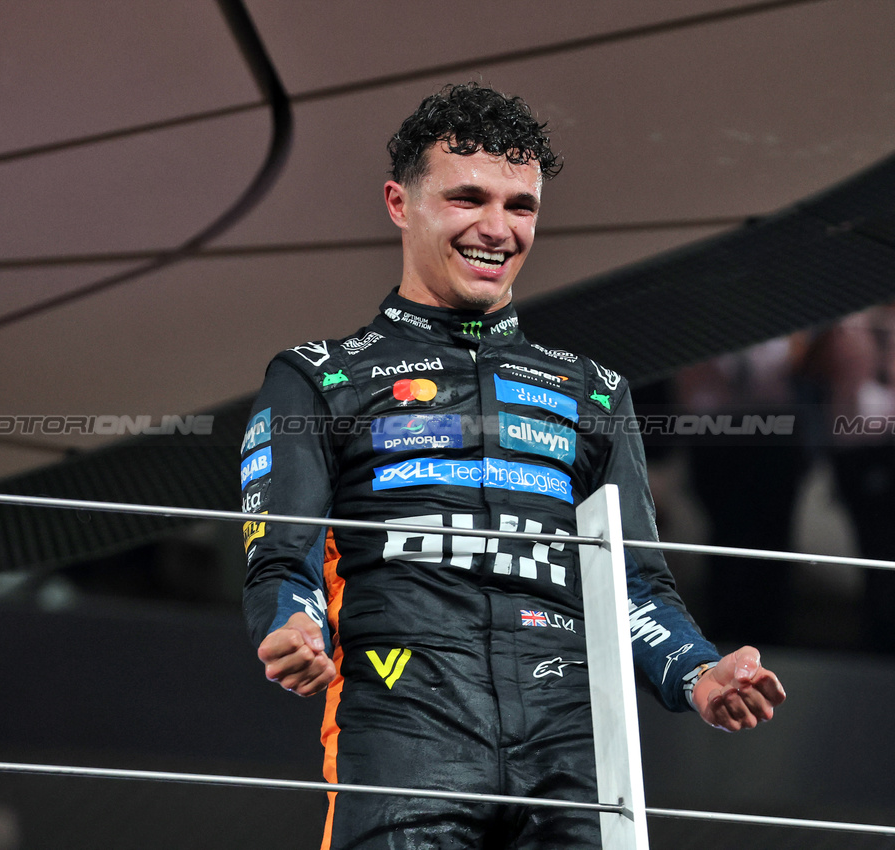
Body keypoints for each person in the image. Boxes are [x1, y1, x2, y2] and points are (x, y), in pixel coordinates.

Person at [241, 82, 786, 849]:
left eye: (519, 206)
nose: (496, 229)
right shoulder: (315, 377)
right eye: (466, 199)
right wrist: (291, 626)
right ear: (399, 204)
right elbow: (280, 561)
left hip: (573, 752)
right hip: (402, 736)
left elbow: (632, 587)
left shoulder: (593, 391)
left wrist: (698, 673)